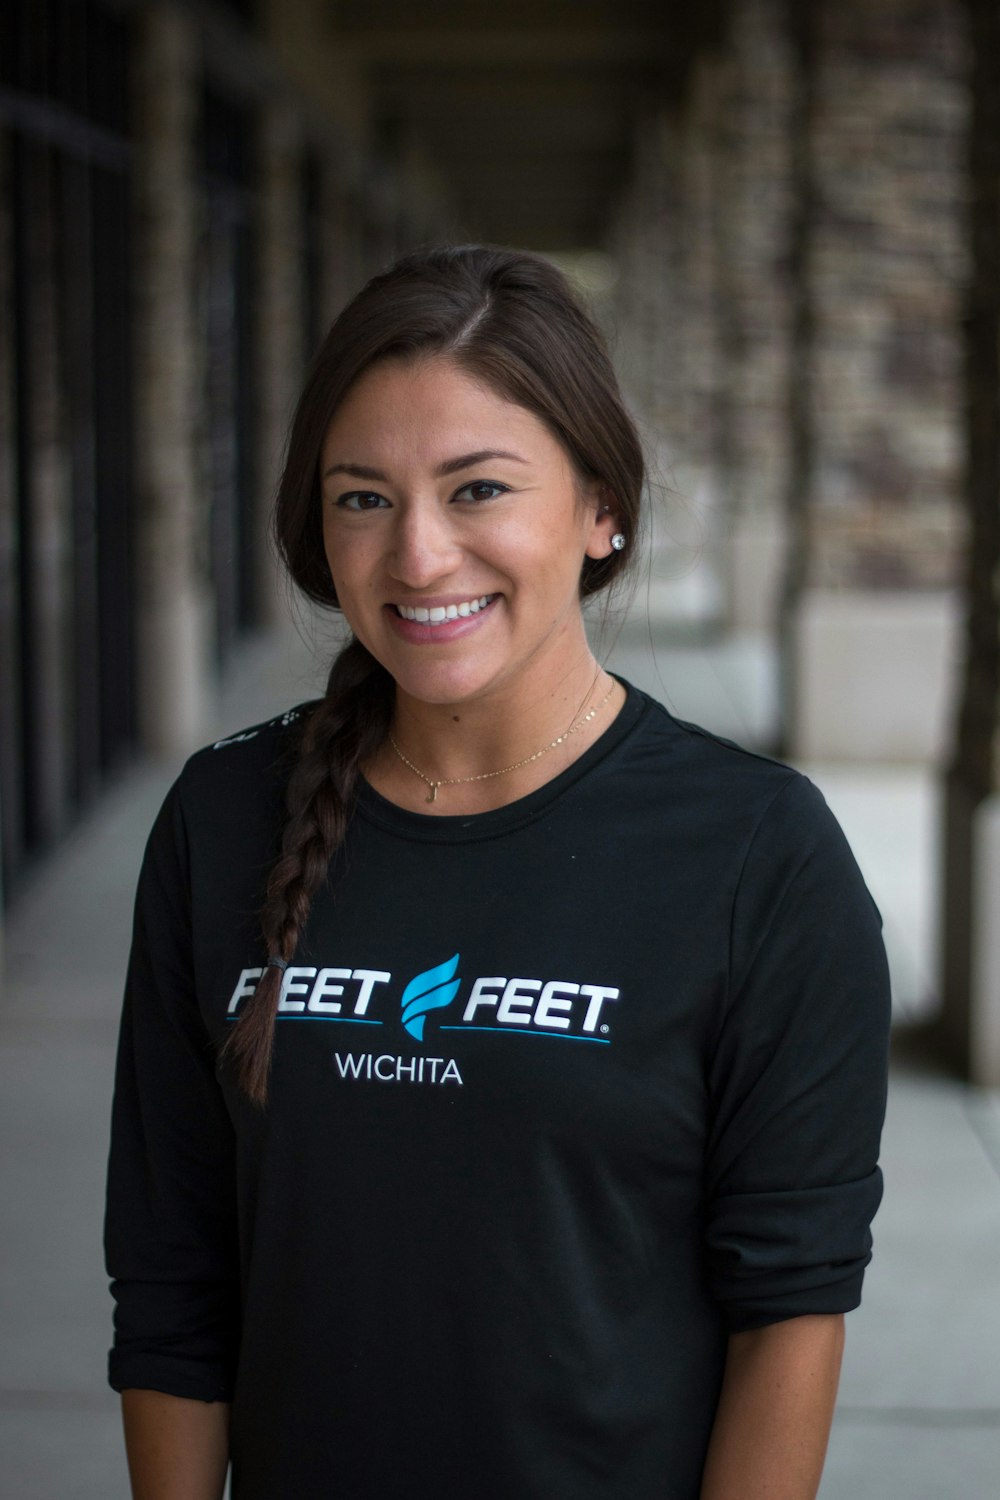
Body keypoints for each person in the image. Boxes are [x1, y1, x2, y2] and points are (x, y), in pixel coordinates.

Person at [105, 244, 891, 1500]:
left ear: (599, 508)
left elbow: (788, 1309)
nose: (418, 556)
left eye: (477, 490)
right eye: (363, 497)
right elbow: (169, 1278)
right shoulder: (221, 818)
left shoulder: (756, 854)